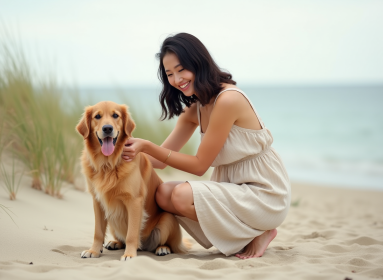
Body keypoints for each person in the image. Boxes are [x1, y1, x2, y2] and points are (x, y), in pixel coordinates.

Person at [122, 33, 291, 259]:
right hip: (233, 187)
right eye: (169, 74)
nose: (176, 79)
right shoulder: (195, 110)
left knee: (181, 195)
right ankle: (247, 235)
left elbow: (200, 166)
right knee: (162, 194)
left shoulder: (228, 100)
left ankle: (260, 232)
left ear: (198, 63)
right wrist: (119, 152)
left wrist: (148, 146)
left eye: (181, 69)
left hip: (263, 192)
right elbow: (157, 162)